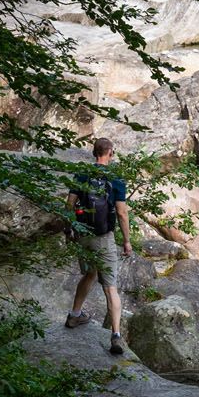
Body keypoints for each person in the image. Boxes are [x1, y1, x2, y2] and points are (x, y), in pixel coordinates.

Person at [65, 137, 132, 354]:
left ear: (95, 153)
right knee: (110, 286)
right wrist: (127, 241)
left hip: (83, 234)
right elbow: (122, 213)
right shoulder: (115, 178)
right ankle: (116, 336)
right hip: (104, 236)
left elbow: (69, 204)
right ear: (110, 152)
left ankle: (75, 316)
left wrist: (70, 229)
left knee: (89, 274)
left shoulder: (82, 173)